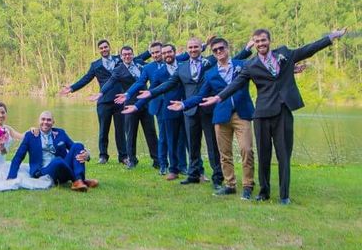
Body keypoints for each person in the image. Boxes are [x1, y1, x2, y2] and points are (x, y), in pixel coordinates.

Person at [201, 28, 347, 204]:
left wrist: (330, 37)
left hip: (283, 111)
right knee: (263, 154)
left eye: (263, 40)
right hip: (261, 114)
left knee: (283, 154)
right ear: (253, 44)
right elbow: (236, 84)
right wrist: (218, 97)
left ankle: (284, 196)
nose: (261, 44)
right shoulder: (251, 65)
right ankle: (264, 192)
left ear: (269, 41)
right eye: (257, 41)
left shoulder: (284, 54)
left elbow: (308, 49)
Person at [167, 38, 255, 199]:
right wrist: (184, 104)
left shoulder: (241, 66)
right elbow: (200, 95)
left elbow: (262, 70)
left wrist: (285, 69)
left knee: (246, 149)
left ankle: (248, 185)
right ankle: (229, 185)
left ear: (227, 48)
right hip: (220, 115)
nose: (219, 52)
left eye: (221, 48)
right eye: (215, 50)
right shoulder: (210, 73)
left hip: (240, 113)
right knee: (224, 153)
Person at [61, 39, 148, 164]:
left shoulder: (120, 59)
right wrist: (72, 88)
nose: (104, 49)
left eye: (105, 47)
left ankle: (123, 157)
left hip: (119, 100)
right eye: (101, 48)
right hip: (103, 101)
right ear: (99, 50)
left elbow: (138, 58)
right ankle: (103, 156)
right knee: (103, 130)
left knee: (120, 130)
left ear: (109, 47)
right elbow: (86, 79)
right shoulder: (95, 65)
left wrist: (149, 52)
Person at [122, 44, 188, 180]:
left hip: (179, 104)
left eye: (158, 52)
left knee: (181, 136)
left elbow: (189, 54)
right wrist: (129, 96)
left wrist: (204, 45)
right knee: (163, 137)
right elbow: (142, 84)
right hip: (159, 106)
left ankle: (182, 166)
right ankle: (163, 164)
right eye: (153, 53)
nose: (156, 55)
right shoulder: (149, 68)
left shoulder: (177, 62)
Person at [89, 45, 157, 169]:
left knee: (151, 132)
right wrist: (101, 93)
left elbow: (155, 67)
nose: (127, 56)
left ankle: (157, 160)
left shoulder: (141, 64)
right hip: (130, 104)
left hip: (145, 102)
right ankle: (131, 160)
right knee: (130, 134)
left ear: (132, 55)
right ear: (121, 56)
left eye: (129, 54)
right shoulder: (118, 70)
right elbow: (110, 82)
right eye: (124, 55)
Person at [8, 111, 98, 192]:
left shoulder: (60, 133)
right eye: (43, 119)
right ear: (38, 121)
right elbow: (18, 157)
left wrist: (87, 155)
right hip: (42, 171)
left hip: (63, 168)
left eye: (49, 120)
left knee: (78, 145)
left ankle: (79, 180)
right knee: (57, 160)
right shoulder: (30, 136)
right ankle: (79, 180)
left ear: (53, 122)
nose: (45, 122)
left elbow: (74, 148)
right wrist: (11, 178)